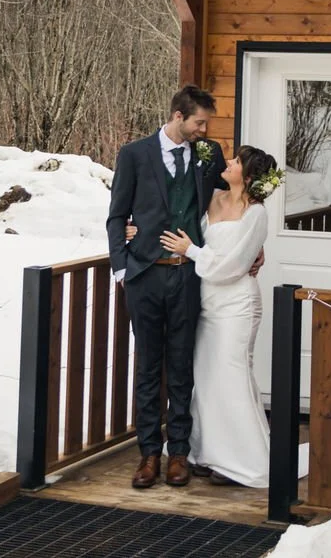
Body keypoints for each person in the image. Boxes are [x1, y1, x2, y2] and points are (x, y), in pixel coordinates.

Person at [106, 85, 223, 489]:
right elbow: (117, 215)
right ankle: (148, 453)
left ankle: (179, 454)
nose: (204, 130)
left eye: (206, 123)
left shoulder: (209, 156)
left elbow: (233, 203)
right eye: (198, 122)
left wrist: (250, 249)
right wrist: (122, 267)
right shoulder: (135, 154)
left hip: (187, 275)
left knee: (182, 364)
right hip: (145, 276)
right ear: (177, 116)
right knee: (148, 366)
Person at [157, 144, 280, 487]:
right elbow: (174, 212)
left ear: (250, 175)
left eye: (237, 161)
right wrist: (135, 228)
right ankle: (207, 453)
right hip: (206, 302)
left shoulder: (256, 213)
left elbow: (234, 265)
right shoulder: (211, 197)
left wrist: (191, 251)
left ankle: (242, 461)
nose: (229, 162)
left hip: (236, 305)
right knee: (207, 379)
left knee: (232, 376)